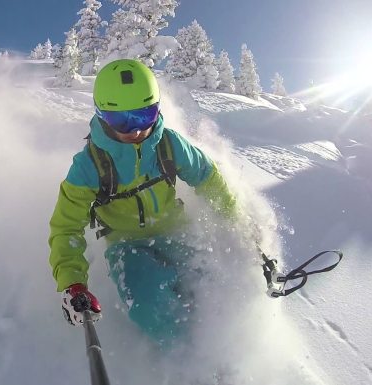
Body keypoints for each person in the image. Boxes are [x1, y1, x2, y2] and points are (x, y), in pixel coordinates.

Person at [49, 59, 238, 344]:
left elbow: (207, 177)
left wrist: (236, 221)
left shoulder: (170, 144)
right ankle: (184, 360)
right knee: (149, 306)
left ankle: (221, 349)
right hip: (127, 245)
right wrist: (73, 283)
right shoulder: (89, 165)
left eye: (144, 115)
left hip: (176, 231)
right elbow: (66, 228)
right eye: (122, 120)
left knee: (209, 288)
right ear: (102, 116)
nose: (135, 129)